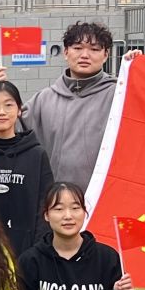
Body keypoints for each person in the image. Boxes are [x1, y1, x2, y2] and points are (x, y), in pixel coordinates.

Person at [21, 22, 118, 187]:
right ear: (66, 52)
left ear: (106, 55)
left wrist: (138, 71)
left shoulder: (118, 95)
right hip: (54, 198)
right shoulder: (44, 99)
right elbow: (12, 132)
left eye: (94, 49)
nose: (85, 55)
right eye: (77, 48)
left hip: (105, 196)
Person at [0, 79, 52, 260]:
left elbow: (46, 204)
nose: (2, 112)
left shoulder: (36, 154)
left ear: (19, 110)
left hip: (27, 252)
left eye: (8, 105)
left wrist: (37, 251)